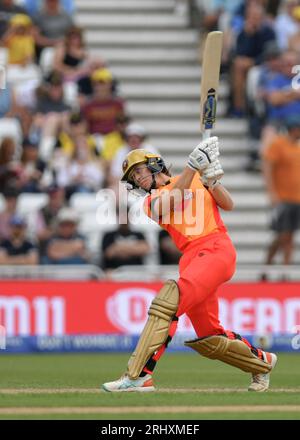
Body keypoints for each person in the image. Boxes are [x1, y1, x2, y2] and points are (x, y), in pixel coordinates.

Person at [102, 138, 277, 393]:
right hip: (192, 258)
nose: (137, 179)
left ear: (154, 165)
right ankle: (261, 362)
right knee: (209, 337)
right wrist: (193, 168)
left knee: (169, 300)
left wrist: (212, 182)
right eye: (132, 176)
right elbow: (170, 202)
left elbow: (228, 204)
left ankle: (138, 376)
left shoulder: (195, 178)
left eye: (138, 171)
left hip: (216, 248)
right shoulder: (150, 203)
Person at [262, 115, 300, 267]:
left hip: (297, 198)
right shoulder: (278, 144)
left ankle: (285, 271)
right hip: (283, 197)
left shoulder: (297, 147)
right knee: (282, 235)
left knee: (290, 236)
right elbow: (267, 167)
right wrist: (272, 192)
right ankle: (268, 265)